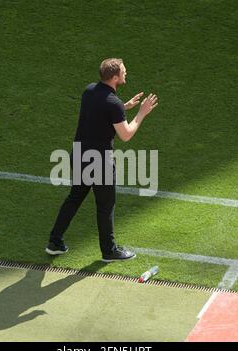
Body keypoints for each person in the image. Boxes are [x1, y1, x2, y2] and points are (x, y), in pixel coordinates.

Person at [46, 58, 158, 262]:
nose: (126, 73)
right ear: (114, 77)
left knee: (75, 197)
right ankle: (109, 251)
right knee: (106, 205)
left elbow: (101, 112)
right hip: (99, 162)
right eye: (124, 71)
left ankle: (55, 241)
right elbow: (126, 135)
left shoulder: (89, 91)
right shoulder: (113, 104)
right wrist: (141, 113)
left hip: (79, 155)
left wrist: (125, 107)